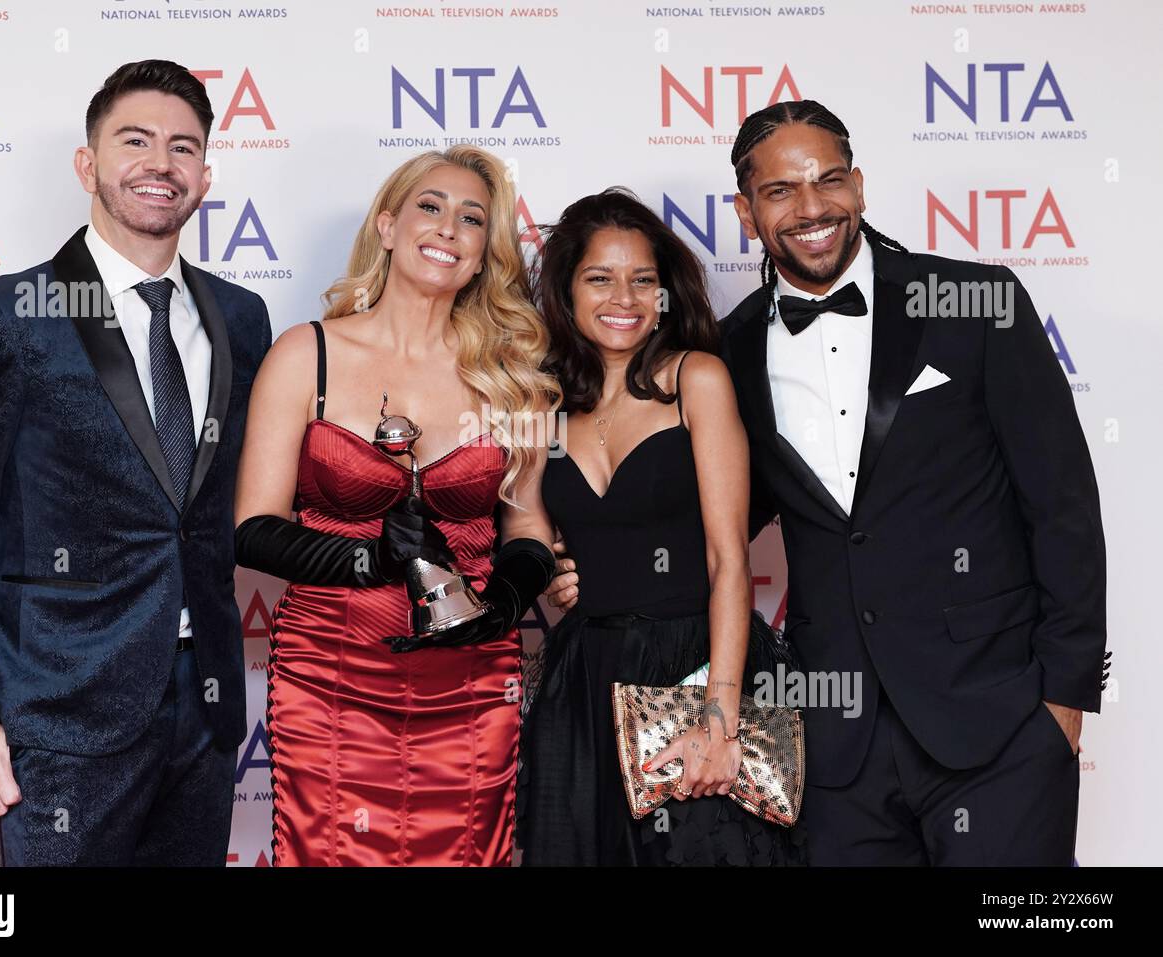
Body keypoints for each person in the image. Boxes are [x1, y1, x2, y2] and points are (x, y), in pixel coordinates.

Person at [550, 101, 1108, 866]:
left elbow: (1064, 506)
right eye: (780, 191)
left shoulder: (974, 304)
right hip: (833, 743)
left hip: (997, 720)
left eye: (830, 181)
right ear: (746, 212)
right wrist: (597, 561)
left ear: (861, 186)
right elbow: (710, 521)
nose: (811, 207)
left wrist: (1062, 705)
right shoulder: (730, 354)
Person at [0, 60, 272, 866]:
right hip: (61, 713)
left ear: (204, 175)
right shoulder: (11, 317)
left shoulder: (242, 318)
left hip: (206, 708)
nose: (160, 164)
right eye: (134, 140)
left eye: (182, 147)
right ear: (87, 164)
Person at [233, 145, 559, 866]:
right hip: (331, 674)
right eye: (430, 207)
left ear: (484, 253)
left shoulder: (514, 377)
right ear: (386, 225)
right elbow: (252, 528)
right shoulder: (304, 354)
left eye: (473, 219)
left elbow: (528, 522)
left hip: (472, 681)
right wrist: (367, 556)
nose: (449, 228)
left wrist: (504, 602)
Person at [517, 188, 806, 866]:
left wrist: (719, 715)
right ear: (567, 288)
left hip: (697, 665)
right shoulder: (541, 400)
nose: (625, 296)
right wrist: (550, 571)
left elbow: (728, 558)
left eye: (643, 279)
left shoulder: (695, 379)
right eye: (600, 278)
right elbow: (521, 534)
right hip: (584, 678)